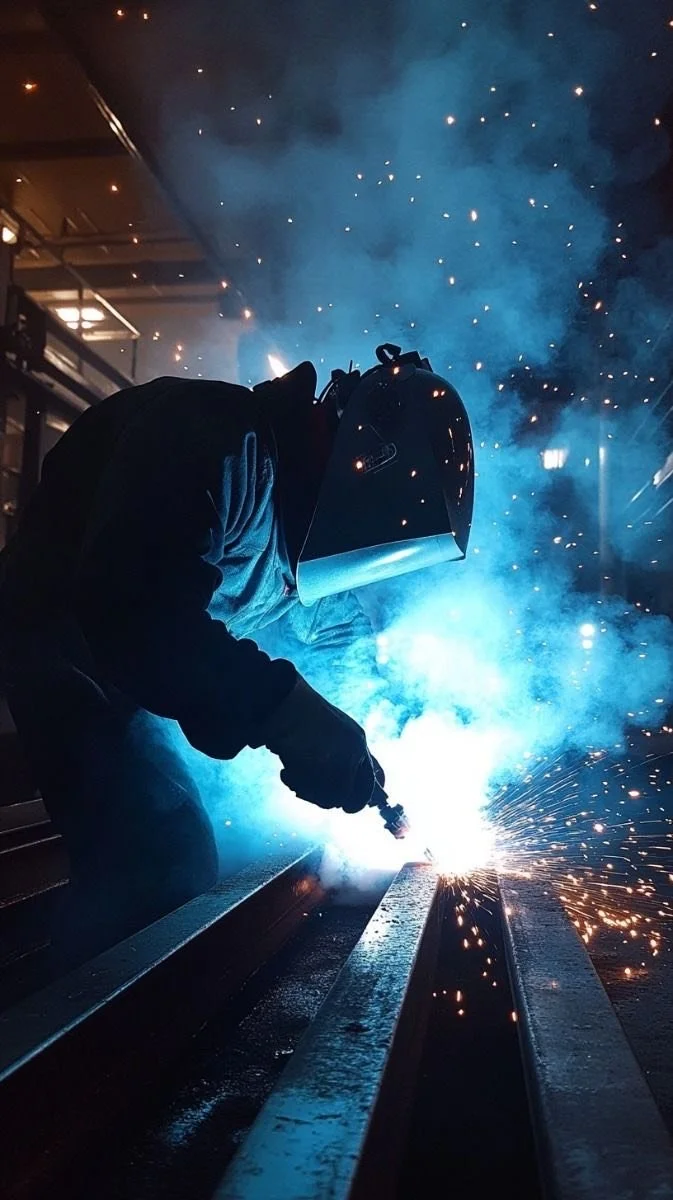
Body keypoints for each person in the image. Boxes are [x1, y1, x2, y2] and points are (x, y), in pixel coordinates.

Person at [0, 343, 473, 957]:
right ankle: (60, 1027)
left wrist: (368, 733)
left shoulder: (304, 534)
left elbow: (338, 641)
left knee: (227, 820)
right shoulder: (216, 438)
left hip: (154, 676)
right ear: (366, 465)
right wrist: (287, 712)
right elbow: (133, 612)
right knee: (166, 857)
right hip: (71, 659)